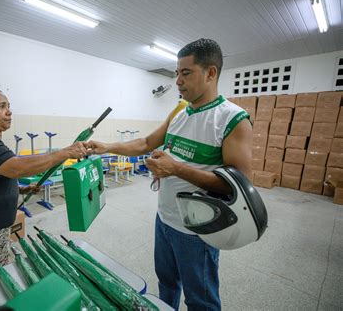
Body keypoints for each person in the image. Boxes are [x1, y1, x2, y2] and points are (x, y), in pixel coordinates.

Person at [88, 38, 252, 310]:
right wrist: (106, 146)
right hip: (164, 219)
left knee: (201, 299)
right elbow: (145, 143)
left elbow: (241, 185)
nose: (177, 81)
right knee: (167, 283)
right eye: (177, 73)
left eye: (186, 73)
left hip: (198, 230)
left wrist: (175, 168)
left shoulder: (232, 119)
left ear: (211, 73)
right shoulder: (179, 111)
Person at [0, 87, 88, 284]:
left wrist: (21, 189)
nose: (9, 111)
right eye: (1, 106)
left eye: (9, 106)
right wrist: (64, 153)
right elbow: (15, 168)